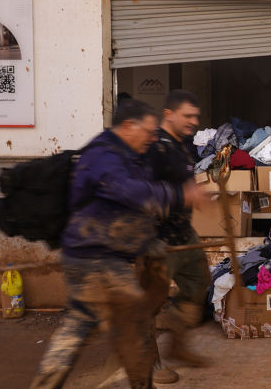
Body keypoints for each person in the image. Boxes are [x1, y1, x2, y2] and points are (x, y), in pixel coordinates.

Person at [30, 99, 201, 389]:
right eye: (148, 131)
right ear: (127, 126)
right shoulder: (103, 156)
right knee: (130, 329)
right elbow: (129, 193)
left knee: (87, 327)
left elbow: (130, 210)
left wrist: (148, 242)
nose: (151, 137)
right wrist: (177, 195)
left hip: (105, 258)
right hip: (96, 261)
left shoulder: (129, 154)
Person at [144, 90, 210, 384]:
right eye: (188, 116)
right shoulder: (153, 147)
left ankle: (178, 345)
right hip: (158, 240)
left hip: (185, 233)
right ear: (168, 114)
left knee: (198, 284)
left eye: (196, 116)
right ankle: (152, 365)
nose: (194, 121)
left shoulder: (182, 146)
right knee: (150, 304)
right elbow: (142, 192)